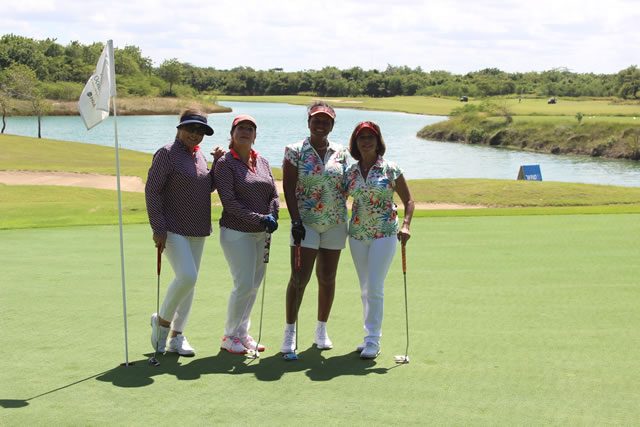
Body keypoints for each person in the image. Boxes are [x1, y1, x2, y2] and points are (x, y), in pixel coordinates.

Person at [145, 109, 221, 357]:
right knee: (187, 276)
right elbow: (152, 191)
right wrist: (158, 227)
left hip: (198, 227)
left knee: (190, 283)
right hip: (172, 227)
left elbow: (206, 186)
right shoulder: (166, 154)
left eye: (200, 131)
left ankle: (177, 336)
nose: (195, 134)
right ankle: (162, 323)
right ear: (180, 128)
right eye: (190, 128)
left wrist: (217, 164)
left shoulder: (199, 157)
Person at [280, 101, 350, 354]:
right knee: (299, 279)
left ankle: (321, 329)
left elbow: (348, 184)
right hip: (305, 223)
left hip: (335, 222)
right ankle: (290, 331)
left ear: (332, 125)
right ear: (309, 122)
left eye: (326, 121)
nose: (320, 125)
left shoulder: (342, 152)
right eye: (316, 120)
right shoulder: (294, 150)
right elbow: (288, 187)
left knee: (328, 278)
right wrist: (295, 220)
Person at [345, 121, 414, 359]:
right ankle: (368, 336)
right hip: (357, 234)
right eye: (361, 137)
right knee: (365, 288)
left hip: (384, 233)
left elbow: (409, 201)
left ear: (378, 141)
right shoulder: (350, 172)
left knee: (375, 286)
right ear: (355, 143)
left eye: (370, 137)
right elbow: (338, 196)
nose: (366, 141)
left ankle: (374, 339)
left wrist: (406, 225)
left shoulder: (390, 168)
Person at [215, 114, 280, 355]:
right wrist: (259, 218)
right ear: (232, 134)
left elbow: (273, 194)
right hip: (236, 232)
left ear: (255, 135)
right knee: (243, 284)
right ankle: (229, 335)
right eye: (240, 128)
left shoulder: (262, 161)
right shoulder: (225, 163)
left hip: (262, 233)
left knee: (253, 285)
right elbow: (229, 202)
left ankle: (242, 333)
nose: (245, 132)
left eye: (250, 128)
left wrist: (272, 214)